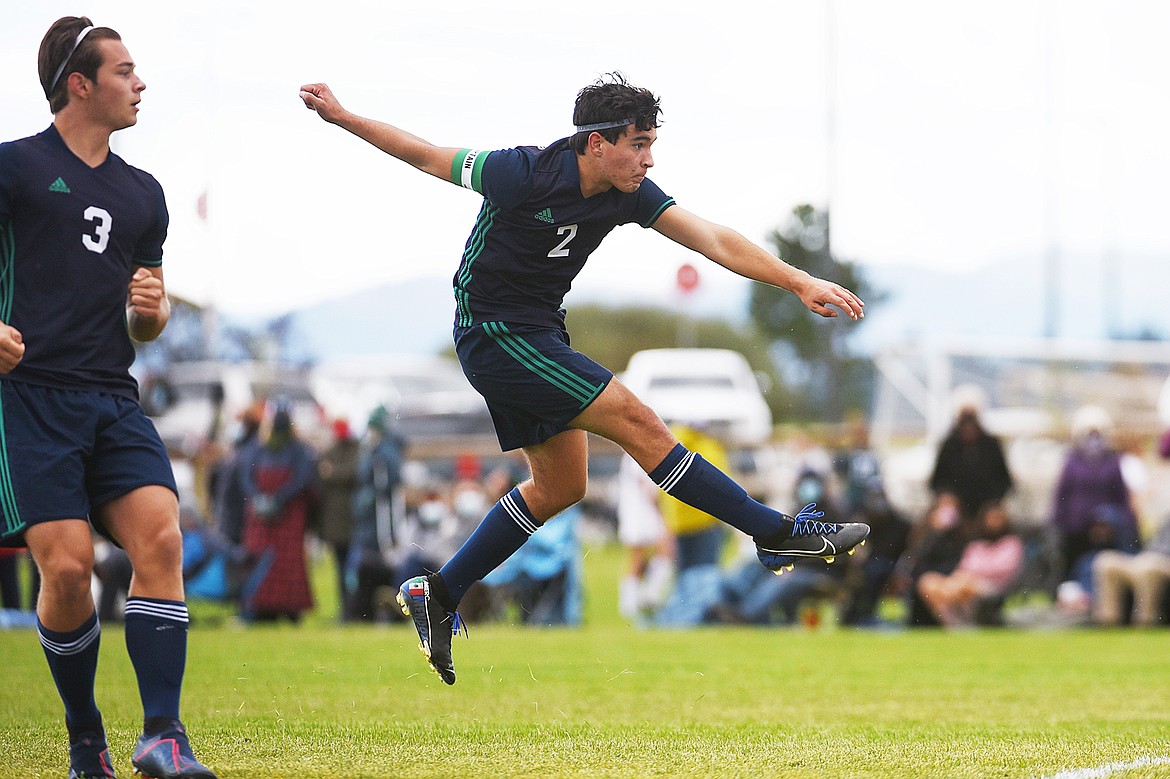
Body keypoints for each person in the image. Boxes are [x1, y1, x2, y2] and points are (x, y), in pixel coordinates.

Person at [300, 72, 870, 685]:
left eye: (652, 144)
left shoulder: (629, 192)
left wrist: (798, 281)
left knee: (561, 486)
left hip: (540, 332)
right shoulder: (523, 172)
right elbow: (426, 154)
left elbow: (711, 238)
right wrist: (343, 116)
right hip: (494, 333)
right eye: (639, 144)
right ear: (596, 143)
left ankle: (439, 591)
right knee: (638, 420)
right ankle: (777, 533)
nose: (648, 159)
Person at [0, 17, 216, 779]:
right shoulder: (14, 169)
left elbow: (145, 322)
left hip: (112, 397)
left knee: (161, 538)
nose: (140, 83)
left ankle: (164, 734)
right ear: (79, 85)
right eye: (124, 71)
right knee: (66, 571)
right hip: (27, 400)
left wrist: (150, 313)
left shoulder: (142, 194)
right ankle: (84, 740)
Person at [1049, 405, 1140, 585]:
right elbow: (1062, 494)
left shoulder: (1113, 462)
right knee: (1072, 569)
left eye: (1097, 433)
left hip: (1104, 528)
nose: (1093, 439)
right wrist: (1056, 523)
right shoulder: (1072, 462)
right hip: (1075, 527)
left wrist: (1126, 525)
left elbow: (1120, 496)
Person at [915, 503, 1024, 628]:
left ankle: (964, 625)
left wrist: (974, 572)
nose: (994, 522)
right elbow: (964, 566)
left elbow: (1004, 567)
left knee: (962, 585)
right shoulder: (976, 544)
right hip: (966, 581)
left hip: (995, 586)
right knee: (928, 582)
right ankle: (953, 624)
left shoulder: (1011, 543)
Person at [928, 394, 1013, 524]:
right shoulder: (949, 446)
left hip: (987, 508)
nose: (968, 427)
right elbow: (937, 481)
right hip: (955, 509)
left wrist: (993, 504)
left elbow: (1005, 480)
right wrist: (947, 497)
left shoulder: (991, 445)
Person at [316, 418, 360, 620]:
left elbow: (349, 473)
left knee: (350, 569)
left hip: (350, 523)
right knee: (341, 569)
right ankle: (346, 611)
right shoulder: (338, 451)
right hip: (337, 525)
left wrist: (332, 472)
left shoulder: (354, 451)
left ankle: (352, 610)